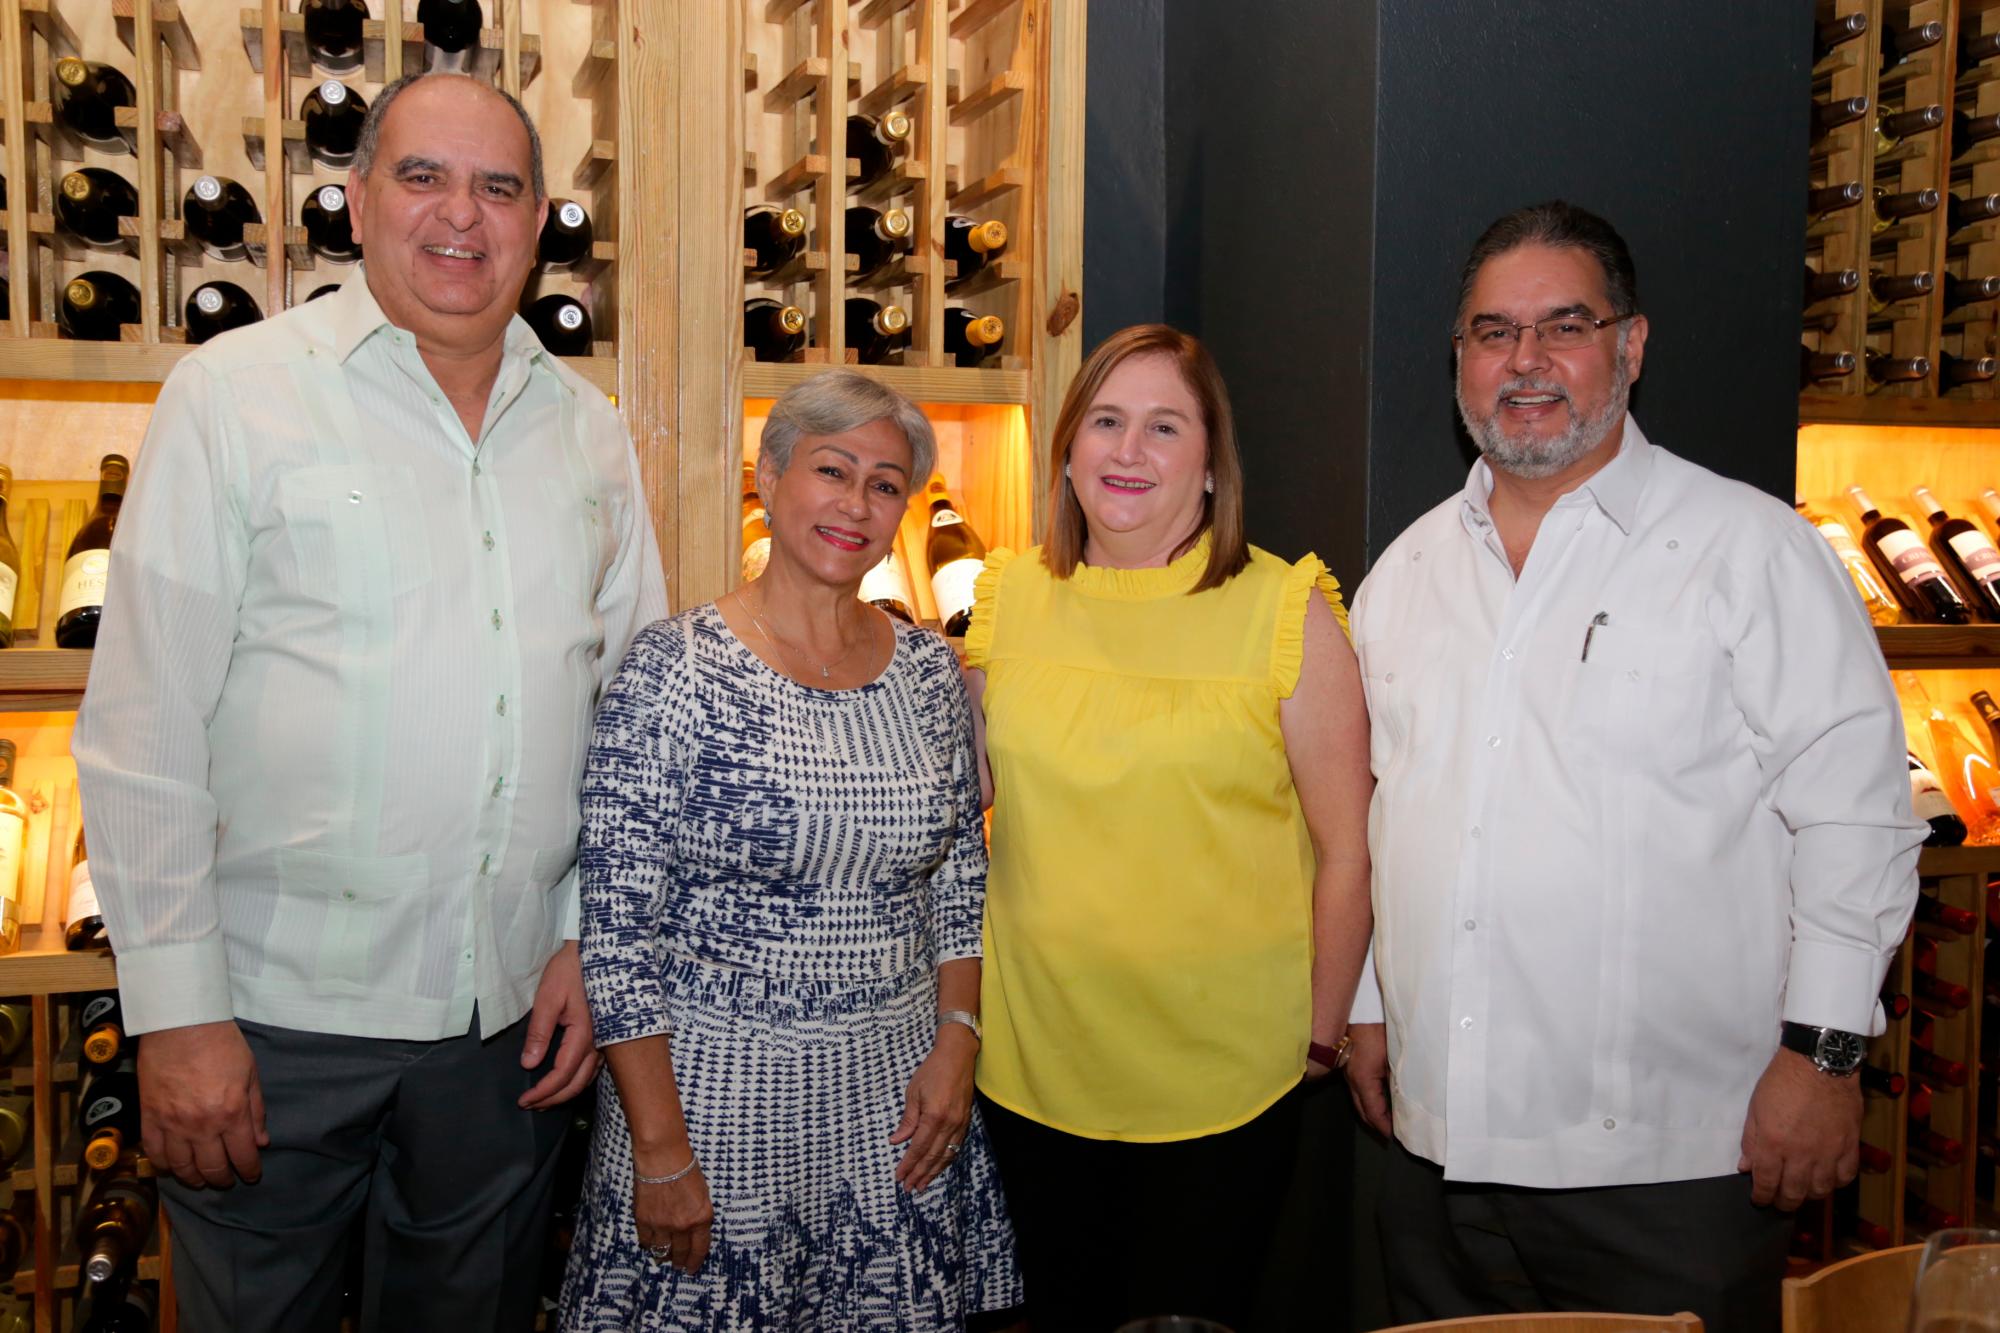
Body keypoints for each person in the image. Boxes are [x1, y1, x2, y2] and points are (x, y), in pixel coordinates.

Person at [71, 71, 667, 1332]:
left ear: (540, 215)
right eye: (423, 176)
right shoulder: (235, 396)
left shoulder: (587, 432)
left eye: (499, 186)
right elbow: (145, 730)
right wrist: (176, 1017)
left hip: (502, 1026)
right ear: (354, 200)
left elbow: (626, 726)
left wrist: (576, 931)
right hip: (272, 1020)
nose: (463, 214)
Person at [1343, 201, 1922, 1332]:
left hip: (1671, 1173)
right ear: (1457, 357)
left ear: (1630, 344)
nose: (1524, 362)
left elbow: (1856, 816)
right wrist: (1370, 1005)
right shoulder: (1402, 574)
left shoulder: (1748, 548)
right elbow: (1381, 813)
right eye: (1490, 332)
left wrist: (1824, 1056)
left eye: (1563, 325)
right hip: (1433, 1156)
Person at [559, 370, 1021, 1331]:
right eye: (832, 469)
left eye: (886, 484)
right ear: (771, 477)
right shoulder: (673, 669)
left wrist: (958, 1038)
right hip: (715, 1105)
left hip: (895, 1108)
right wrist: (660, 1148)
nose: (856, 504)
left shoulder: (932, 669)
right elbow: (616, 932)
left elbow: (961, 873)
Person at [963, 324, 1373, 1331]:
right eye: (1104, 421)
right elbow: (950, 808)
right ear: (1065, 448)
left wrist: (1317, 1040)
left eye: (1162, 426)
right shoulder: (1008, 597)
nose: (1126, 451)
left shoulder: (1283, 606)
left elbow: (1348, 848)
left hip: (1225, 1080)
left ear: (1207, 464)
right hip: (1031, 1067)